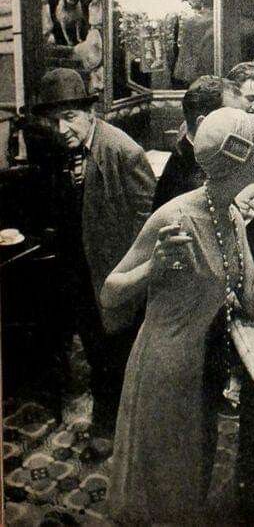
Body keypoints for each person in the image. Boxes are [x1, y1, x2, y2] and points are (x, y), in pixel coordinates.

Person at [102, 108, 254, 523]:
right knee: (161, 489)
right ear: (237, 160)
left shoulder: (228, 215)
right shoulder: (175, 216)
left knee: (192, 479)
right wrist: (153, 268)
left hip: (204, 365)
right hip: (165, 368)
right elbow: (109, 293)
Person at [31, 68, 155, 435]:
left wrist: (130, 281)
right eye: (53, 121)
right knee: (94, 345)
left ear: (89, 113)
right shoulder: (60, 147)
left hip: (112, 271)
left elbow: (146, 226)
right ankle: (108, 410)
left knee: (114, 350)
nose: (61, 129)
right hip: (77, 268)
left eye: (69, 118)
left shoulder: (123, 151)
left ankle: (112, 424)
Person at [152, 76, 247, 211]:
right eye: (234, 121)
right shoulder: (192, 183)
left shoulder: (201, 159)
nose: (246, 129)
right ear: (203, 124)